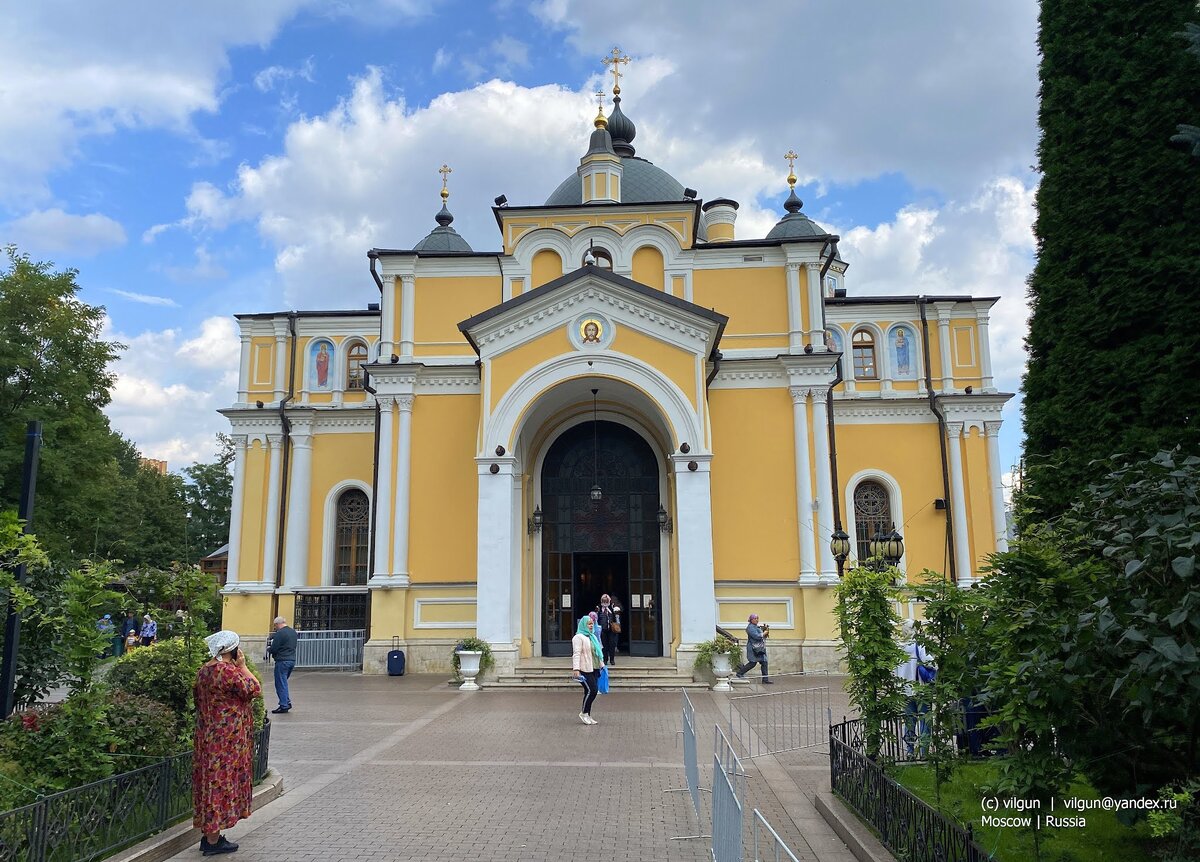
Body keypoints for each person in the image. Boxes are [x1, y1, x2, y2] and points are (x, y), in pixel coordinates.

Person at [193, 630, 261, 856]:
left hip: (208, 737)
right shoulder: (228, 672)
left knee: (210, 782)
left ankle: (208, 835)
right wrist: (243, 666)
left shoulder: (204, 671)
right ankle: (213, 841)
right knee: (220, 783)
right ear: (231, 649)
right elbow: (254, 689)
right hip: (227, 740)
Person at [895, 619, 931, 757]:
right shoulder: (919, 645)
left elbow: (894, 671)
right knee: (925, 721)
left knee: (909, 723)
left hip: (905, 691)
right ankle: (924, 752)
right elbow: (931, 662)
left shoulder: (898, 648)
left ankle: (910, 751)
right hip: (920, 689)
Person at [571, 615, 605, 725]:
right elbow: (576, 654)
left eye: (592, 624)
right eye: (588, 624)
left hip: (594, 667)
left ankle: (588, 714)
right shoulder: (578, 637)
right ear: (583, 625)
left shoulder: (592, 637)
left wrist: (602, 664)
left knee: (588, 691)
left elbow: (597, 653)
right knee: (593, 690)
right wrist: (576, 669)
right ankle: (584, 713)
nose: (591, 626)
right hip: (584, 668)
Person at [266, 616, 297, 714]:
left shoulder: (280, 633)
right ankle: (286, 702)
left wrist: (269, 649)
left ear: (277, 624)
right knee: (283, 682)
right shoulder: (293, 632)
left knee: (280, 683)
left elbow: (274, 648)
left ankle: (284, 705)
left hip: (282, 661)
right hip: (291, 660)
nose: (275, 628)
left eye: (275, 626)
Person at [735, 613, 773, 683]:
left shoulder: (756, 626)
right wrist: (763, 633)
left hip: (760, 647)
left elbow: (762, 636)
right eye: (754, 618)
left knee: (764, 662)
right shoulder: (750, 628)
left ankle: (765, 679)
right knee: (752, 663)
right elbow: (756, 636)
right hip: (753, 648)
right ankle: (740, 672)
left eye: (757, 618)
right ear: (751, 620)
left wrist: (765, 630)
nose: (756, 620)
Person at [595, 593, 621, 666]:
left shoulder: (612, 608)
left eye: (606, 601)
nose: (605, 603)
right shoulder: (599, 608)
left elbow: (617, 618)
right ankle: (605, 659)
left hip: (611, 630)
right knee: (604, 645)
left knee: (612, 644)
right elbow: (595, 618)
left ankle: (612, 659)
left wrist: (617, 623)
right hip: (602, 630)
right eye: (604, 601)